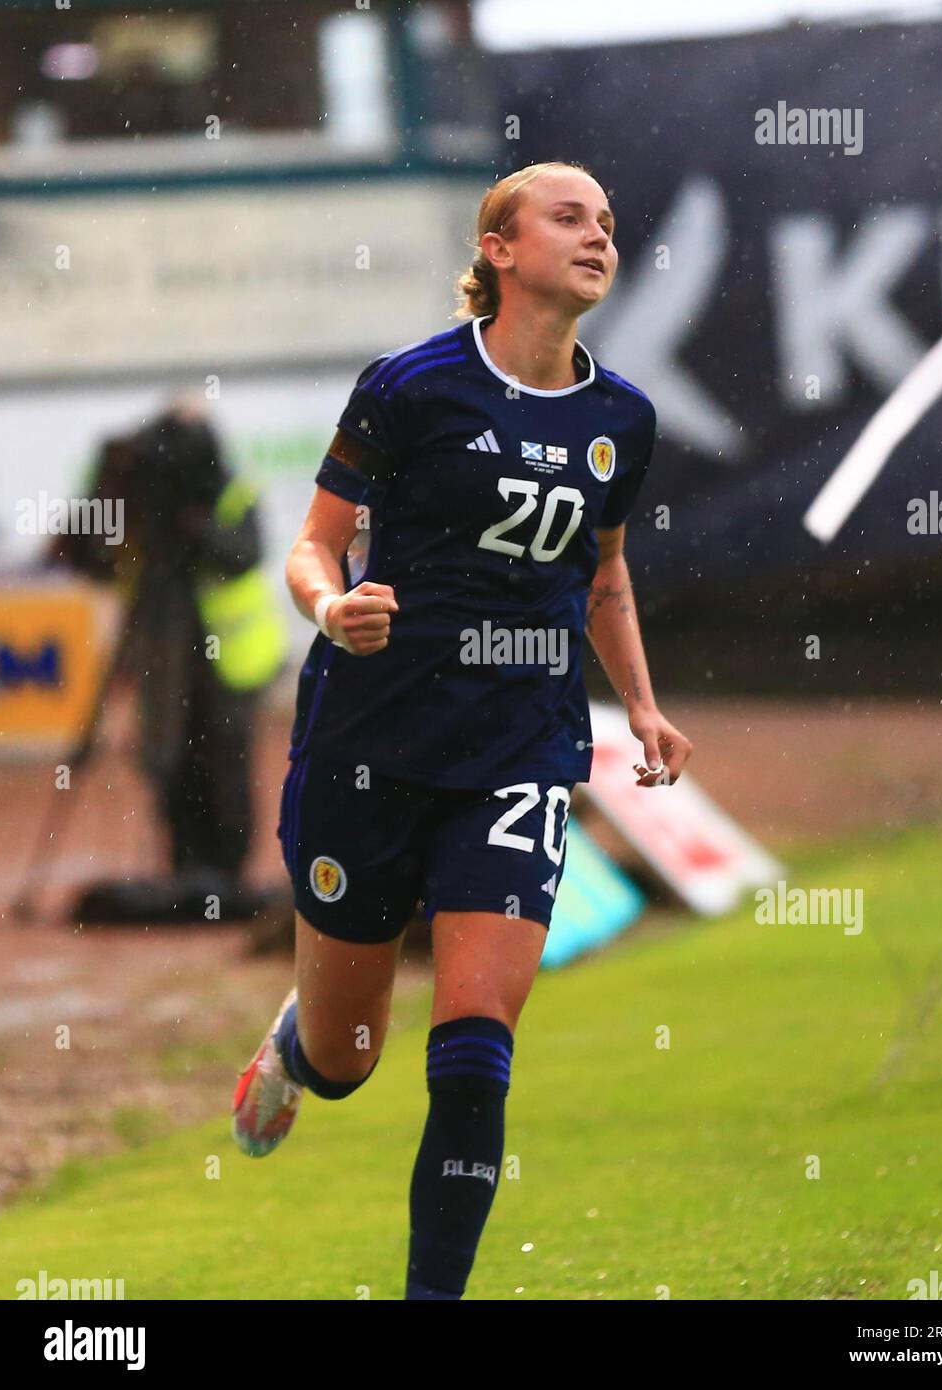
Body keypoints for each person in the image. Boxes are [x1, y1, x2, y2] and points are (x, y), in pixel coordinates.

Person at [231, 161, 693, 1299]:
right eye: (569, 217)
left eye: (608, 222)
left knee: (478, 1049)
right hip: (370, 740)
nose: (598, 236)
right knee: (348, 1063)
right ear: (498, 247)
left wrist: (637, 702)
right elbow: (314, 542)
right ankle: (299, 1045)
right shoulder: (410, 387)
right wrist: (330, 606)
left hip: (520, 749)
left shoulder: (619, 419)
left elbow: (605, 577)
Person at [56, 402, 286, 915]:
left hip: (229, 661)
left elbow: (244, 554)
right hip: (163, 658)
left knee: (225, 761)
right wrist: (109, 483)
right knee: (168, 757)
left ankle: (224, 880)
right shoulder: (137, 504)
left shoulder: (230, 492)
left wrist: (194, 526)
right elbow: (80, 556)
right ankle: (185, 873)